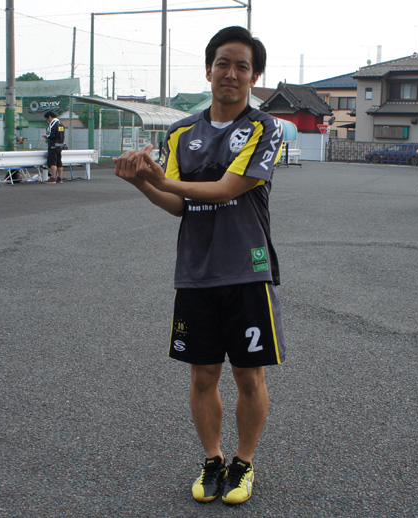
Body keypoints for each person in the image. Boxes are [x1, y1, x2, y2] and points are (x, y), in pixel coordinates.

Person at [113, 26, 285, 506]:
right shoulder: (180, 133)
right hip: (195, 273)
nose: (231, 73)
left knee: (249, 377)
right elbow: (178, 206)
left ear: (254, 77)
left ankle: (243, 463)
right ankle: (213, 460)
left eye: (242, 66)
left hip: (248, 270)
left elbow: (227, 189)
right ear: (208, 70)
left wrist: (163, 181)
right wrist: (142, 182)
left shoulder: (263, 128)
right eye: (223, 63)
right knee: (203, 376)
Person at [43, 111, 65, 183]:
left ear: (50, 116)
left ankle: (53, 178)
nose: (48, 120)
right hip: (60, 144)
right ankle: (60, 178)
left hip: (53, 145)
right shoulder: (61, 124)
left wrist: (46, 136)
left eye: (47, 119)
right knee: (59, 162)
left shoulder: (53, 124)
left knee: (53, 162)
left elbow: (51, 135)